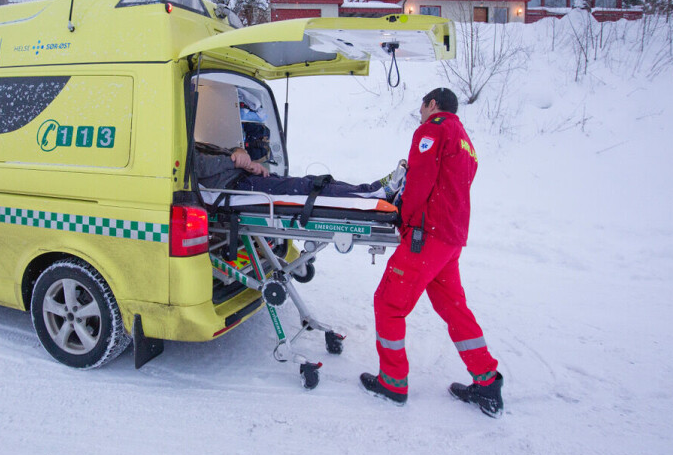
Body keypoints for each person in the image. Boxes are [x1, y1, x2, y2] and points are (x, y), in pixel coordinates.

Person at [359, 87, 504, 418]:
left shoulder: (432, 129)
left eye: (422, 107)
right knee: (455, 309)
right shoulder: (466, 141)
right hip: (450, 240)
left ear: (432, 104)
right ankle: (487, 380)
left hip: (427, 236)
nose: (420, 113)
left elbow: (421, 179)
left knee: (389, 303)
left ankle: (393, 382)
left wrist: (404, 219)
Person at [193, 141, 406, 202]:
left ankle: (372, 190)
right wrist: (236, 162)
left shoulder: (195, 142)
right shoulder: (180, 150)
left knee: (311, 181)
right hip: (236, 187)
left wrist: (240, 154)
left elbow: (231, 152)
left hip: (247, 178)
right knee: (306, 187)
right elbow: (201, 166)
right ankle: (375, 193)